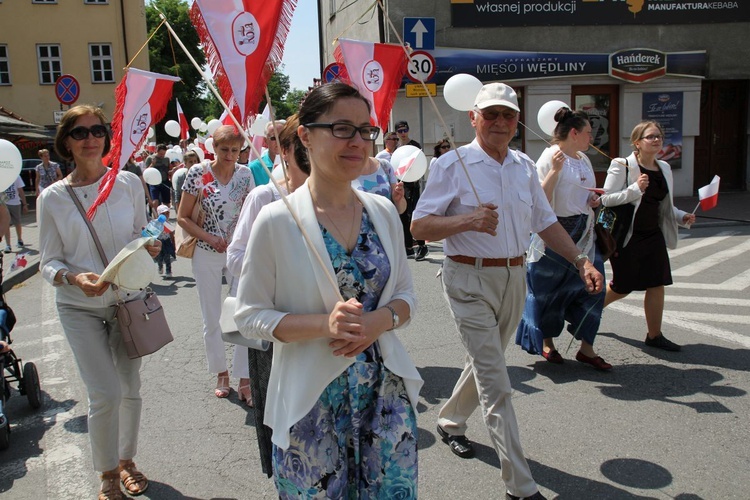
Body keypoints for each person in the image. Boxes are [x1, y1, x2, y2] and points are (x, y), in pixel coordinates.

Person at [411, 83, 603, 500]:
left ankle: (449, 422)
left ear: (517, 122)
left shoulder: (521, 166)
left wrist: (581, 261)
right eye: (491, 114)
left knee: (488, 362)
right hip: (468, 280)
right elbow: (419, 226)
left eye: (508, 116)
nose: (500, 122)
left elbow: (546, 221)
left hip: (516, 277)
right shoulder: (451, 165)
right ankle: (520, 485)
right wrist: (467, 221)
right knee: (497, 382)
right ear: (473, 118)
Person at [234, 82, 422, 498]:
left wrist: (380, 321)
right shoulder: (276, 220)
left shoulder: (384, 212)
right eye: (341, 129)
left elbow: (407, 297)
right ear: (305, 135)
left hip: (383, 398)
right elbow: (248, 315)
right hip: (311, 407)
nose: (357, 142)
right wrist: (323, 324)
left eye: (365, 130)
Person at [38, 104, 162, 500]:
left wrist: (150, 244)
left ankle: (126, 460)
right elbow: (47, 261)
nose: (91, 138)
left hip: (126, 302)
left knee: (130, 386)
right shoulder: (52, 198)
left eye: (97, 130)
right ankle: (107, 472)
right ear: (67, 144)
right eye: (80, 132)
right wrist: (72, 277)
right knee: (105, 391)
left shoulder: (126, 182)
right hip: (79, 306)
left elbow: (138, 233)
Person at [226, 115, 311, 410]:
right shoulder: (265, 197)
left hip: (317, 329)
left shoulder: (337, 199)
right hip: (272, 327)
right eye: (301, 144)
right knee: (274, 419)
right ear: (284, 151)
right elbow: (235, 258)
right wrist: (279, 272)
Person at [515, 108, 610, 369]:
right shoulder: (549, 156)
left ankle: (587, 348)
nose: (592, 137)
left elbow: (583, 192)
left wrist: (593, 200)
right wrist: (554, 171)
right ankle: (548, 343)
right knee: (549, 292)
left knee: (593, 288)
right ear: (574, 132)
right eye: (588, 132)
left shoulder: (584, 159)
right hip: (554, 234)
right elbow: (539, 201)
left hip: (585, 233)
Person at [600, 120, 695, 351]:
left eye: (659, 137)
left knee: (657, 283)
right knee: (622, 286)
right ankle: (586, 312)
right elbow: (605, 199)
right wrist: (635, 189)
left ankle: (654, 335)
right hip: (627, 236)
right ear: (637, 142)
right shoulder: (622, 165)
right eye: (650, 137)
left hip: (653, 235)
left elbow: (664, 205)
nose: (656, 140)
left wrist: (682, 216)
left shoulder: (664, 168)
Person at [177, 125, 255, 399]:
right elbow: (183, 216)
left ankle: (244, 376)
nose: (230, 155)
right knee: (211, 316)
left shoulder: (245, 175)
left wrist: (240, 241)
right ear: (214, 147)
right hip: (206, 251)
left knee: (242, 312)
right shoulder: (198, 173)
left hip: (236, 251)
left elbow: (251, 212)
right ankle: (221, 371)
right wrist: (210, 238)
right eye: (225, 150)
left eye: (235, 150)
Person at [395, 120, 428, 260]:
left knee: (413, 215)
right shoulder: (396, 147)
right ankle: (408, 247)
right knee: (402, 216)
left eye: (405, 130)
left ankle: (422, 245)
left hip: (412, 185)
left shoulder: (414, 146)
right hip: (400, 185)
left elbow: (419, 164)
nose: (403, 133)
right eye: (400, 131)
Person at [247, 121, 283, 187]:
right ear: (266, 141)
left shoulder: (295, 165)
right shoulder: (253, 168)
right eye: (273, 138)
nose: (278, 142)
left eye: (282, 137)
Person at [3, 176, 28, 252]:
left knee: (17, 223)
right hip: (4, 203)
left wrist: (25, 204)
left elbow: (20, 190)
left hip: (15, 203)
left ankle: (19, 239)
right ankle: (8, 245)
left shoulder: (16, 176)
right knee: (5, 224)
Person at [154, 204, 175, 277]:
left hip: (166, 242)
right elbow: (150, 231)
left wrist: (173, 243)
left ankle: (168, 271)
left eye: (167, 213)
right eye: (163, 214)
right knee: (159, 257)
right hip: (159, 242)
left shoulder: (168, 223)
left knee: (167, 257)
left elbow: (172, 233)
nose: (166, 215)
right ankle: (160, 267)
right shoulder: (156, 223)